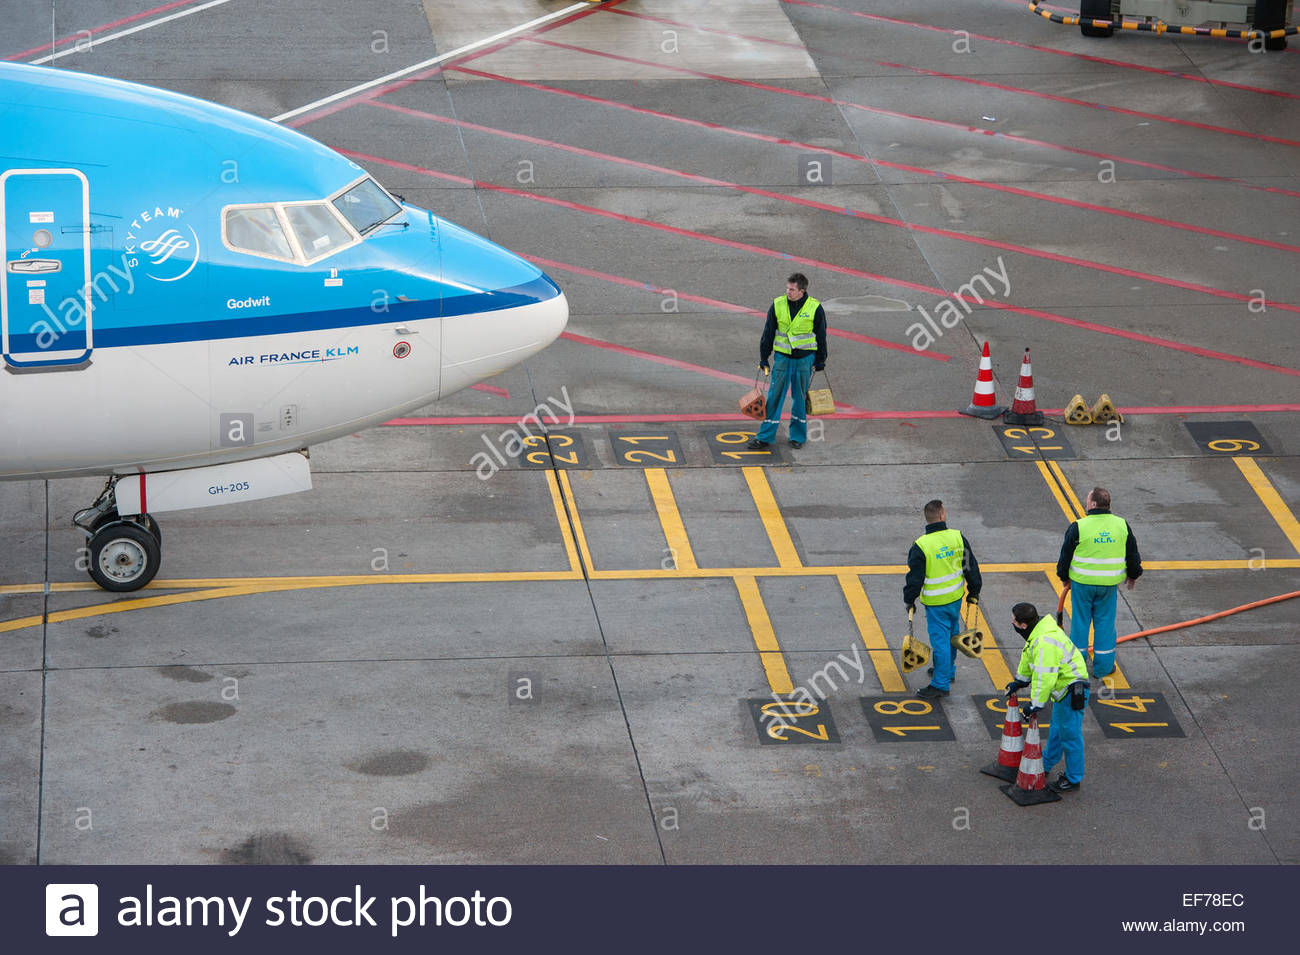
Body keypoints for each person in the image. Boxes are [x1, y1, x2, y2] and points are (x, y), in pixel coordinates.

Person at [1056, 486, 1142, 679]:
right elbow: (1133, 554)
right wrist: (1133, 575)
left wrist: (1064, 578)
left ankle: (1076, 669)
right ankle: (1103, 668)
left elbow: (1065, 556)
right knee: (1105, 624)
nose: (1086, 503)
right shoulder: (1121, 525)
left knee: (1080, 623)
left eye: (1087, 500)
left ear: (1093, 504)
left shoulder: (1079, 526)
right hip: (1108, 586)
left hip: (1082, 585)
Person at [1005, 602, 1090, 793]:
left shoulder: (1044, 642)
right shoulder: (1037, 633)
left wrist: (1035, 705)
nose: (1012, 624)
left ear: (1023, 625)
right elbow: (1029, 658)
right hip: (1064, 691)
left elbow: (1045, 677)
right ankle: (1045, 765)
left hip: (1072, 691)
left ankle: (1073, 778)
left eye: (1014, 621)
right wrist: (1019, 681)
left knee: (1070, 736)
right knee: (1058, 732)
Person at [903, 499, 981, 700]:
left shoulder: (921, 546)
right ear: (942, 515)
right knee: (952, 635)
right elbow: (970, 567)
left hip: (936, 604)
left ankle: (940, 683)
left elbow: (914, 579)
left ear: (927, 519)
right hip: (956, 598)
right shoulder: (957, 537)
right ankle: (949, 670)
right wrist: (974, 590)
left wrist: (909, 599)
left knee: (940, 643)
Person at [746, 272, 827, 451]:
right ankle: (765, 437)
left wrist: (821, 359)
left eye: (792, 289)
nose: (788, 292)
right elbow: (768, 333)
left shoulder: (815, 308)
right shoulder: (777, 304)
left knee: (799, 399)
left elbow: (821, 335)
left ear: (802, 291)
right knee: (774, 398)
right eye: (787, 288)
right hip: (782, 359)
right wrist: (763, 357)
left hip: (804, 360)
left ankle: (798, 436)